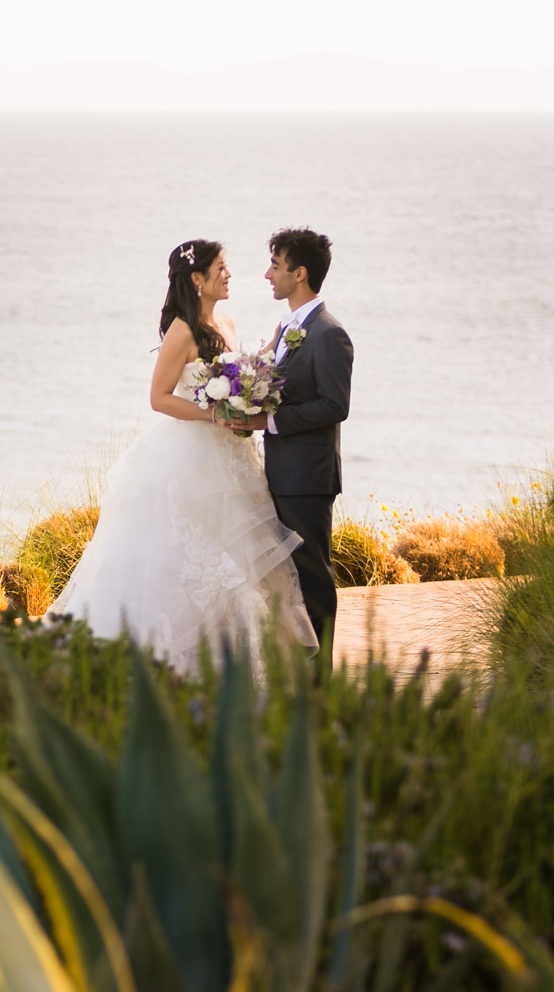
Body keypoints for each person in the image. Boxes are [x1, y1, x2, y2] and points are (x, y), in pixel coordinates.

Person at [48, 238, 316, 671]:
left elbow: (235, 371)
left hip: (234, 459)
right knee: (196, 556)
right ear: (197, 279)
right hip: (192, 456)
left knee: (242, 556)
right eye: (221, 268)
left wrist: (261, 364)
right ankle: (179, 660)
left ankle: (236, 662)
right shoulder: (181, 331)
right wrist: (212, 416)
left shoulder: (225, 321)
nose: (229, 274)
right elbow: (159, 398)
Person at [225, 228, 351, 665]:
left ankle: (321, 683)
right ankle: (298, 672)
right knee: (289, 580)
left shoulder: (328, 334)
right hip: (281, 473)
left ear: (299, 274)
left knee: (313, 580)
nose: (267, 275)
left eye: (275, 266)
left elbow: (335, 406)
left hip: (307, 480)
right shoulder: (288, 329)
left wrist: (267, 421)